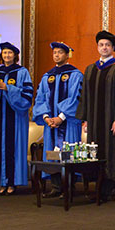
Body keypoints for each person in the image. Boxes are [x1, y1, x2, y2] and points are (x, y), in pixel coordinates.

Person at [76, 31, 115, 201]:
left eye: (107, 45)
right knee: (95, 150)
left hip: (112, 120)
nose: (104, 47)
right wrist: (85, 118)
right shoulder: (90, 69)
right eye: (101, 45)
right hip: (94, 121)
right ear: (98, 47)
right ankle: (98, 187)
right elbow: (85, 95)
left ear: (113, 48)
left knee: (113, 150)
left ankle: (112, 188)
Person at [0, 42, 33, 195]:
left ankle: (12, 183)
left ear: (15, 56)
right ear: (1, 56)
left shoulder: (22, 72)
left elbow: (27, 96)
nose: (7, 56)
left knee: (13, 148)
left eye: (10, 53)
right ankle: (1, 182)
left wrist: (9, 88)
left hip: (15, 119)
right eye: (4, 53)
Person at [32, 41, 83, 197]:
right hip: (51, 125)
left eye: (60, 52)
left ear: (67, 55)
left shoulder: (76, 75)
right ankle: (55, 187)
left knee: (68, 153)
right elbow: (40, 98)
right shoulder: (47, 77)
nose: (57, 55)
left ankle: (69, 187)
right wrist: (47, 117)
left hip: (69, 123)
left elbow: (77, 98)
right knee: (52, 155)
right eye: (55, 52)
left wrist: (61, 117)